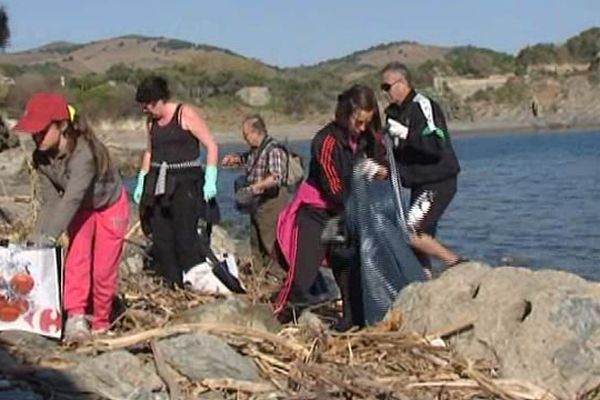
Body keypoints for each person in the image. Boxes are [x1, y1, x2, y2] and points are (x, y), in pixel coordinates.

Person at [14, 92, 129, 341]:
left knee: (103, 269)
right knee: (77, 260)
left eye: (42, 131)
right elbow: (51, 202)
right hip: (82, 210)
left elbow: (72, 197)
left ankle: (100, 322)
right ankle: (75, 317)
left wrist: (51, 237)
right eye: (34, 132)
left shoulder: (84, 154)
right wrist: (37, 240)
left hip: (109, 206)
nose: (37, 137)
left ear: (62, 125)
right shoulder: (41, 158)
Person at [275, 84, 387, 329]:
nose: (362, 128)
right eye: (358, 122)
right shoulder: (325, 141)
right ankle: (279, 316)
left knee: (348, 268)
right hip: (317, 211)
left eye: (367, 122)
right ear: (346, 114)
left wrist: (379, 171)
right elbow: (333, 186)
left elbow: (384, 164)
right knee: (302, 274)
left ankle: (352, 320)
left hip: (346, 214)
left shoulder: (370, 138)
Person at [132, 76, 219, 288]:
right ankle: (173, 283)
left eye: (150, 105)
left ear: (160, 100)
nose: (148, 110)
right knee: (161, 236)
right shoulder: (151, 122)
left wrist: (211, 178)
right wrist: (141, 181)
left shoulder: (184, 114)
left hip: (186, 184)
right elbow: (150, 152)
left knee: (184, 234)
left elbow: (211, 146)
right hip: (159, 184)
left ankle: (195, 279)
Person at [380, 62, 465, 278]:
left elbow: (437, 145)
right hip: (419, 182)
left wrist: (407, 134)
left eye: (387, 86)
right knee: (417, 241)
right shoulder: (394, 113)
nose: (385, 92)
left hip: (438, 179)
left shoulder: (423, 105)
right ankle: (426, 280)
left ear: (402, 83)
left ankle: (458, 264)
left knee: (410, 232)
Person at [221, 115, 289, 274]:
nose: (245, 139)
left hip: (271, 201)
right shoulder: (256, 150)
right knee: (256, 241)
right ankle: (261, 275)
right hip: (257, 203)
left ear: (255, 132)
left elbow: (276, 177)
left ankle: (279, 276)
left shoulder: (274, 150)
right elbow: (251, 160)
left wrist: (255, 187)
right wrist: (235, 159)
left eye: (245, 135)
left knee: (270, 241)